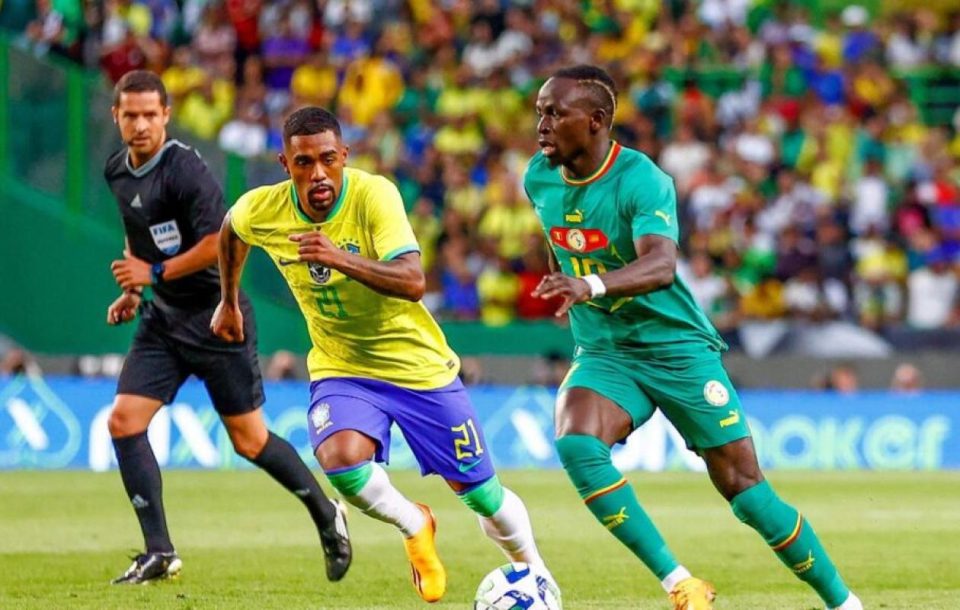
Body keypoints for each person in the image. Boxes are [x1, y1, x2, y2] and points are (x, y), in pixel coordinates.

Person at [525, 65, 862, 610]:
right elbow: (559, 239)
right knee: (576, 443)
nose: (541, 124)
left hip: (676, 349)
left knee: (746, 491)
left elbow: (660, 265)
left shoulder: (642, 179)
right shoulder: (538, 177)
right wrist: (565, 282)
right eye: (539, 112)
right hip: (607, 350)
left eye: (555, 113)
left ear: (596, 120)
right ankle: (680, 583)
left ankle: (844, 603)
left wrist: (589, 285)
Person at [212, 106, 551, 603]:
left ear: (345, 156)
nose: (318, 173)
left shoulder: (375, 195)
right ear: (285, 164)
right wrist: (227, 300)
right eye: (304, 162)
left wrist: (336, 257)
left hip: (417, 367)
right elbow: (231, 230)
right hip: (342, 365)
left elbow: (413, 281)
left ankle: (537, 573)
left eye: (328, 159)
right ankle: (414, 523)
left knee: (481, 495)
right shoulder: (263, 208)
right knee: (340, 460)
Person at [103, 71, 350, 585]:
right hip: (163, 320)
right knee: (123, 421)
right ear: (116, 117)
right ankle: (159, 552)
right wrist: (134, 290)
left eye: (149, 114)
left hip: (218, 316)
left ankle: (327, 513)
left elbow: (217, 239)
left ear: (166, 115)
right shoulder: (117, 171)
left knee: (250, 440)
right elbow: (138, 235)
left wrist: (154, 274)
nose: (141, 124)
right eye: (131, 115)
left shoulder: (185, 169)